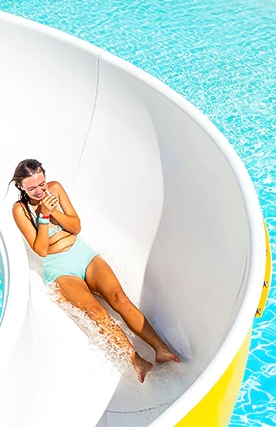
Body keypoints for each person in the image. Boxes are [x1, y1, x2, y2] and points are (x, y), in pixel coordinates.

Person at [11, 159, 179, 383]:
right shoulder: (20, 210)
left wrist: (54, 213)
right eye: (32, 188)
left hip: (83, 254)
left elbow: (76, 226)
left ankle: (161, 348)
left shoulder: (56, 189)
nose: (40, 191)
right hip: (59, 267)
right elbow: (40, 250)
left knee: (119, 298)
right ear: (21, 187)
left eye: (41, 184)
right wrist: (42, 216)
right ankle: (136, 359)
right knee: (97, 312)